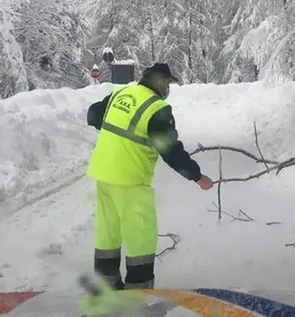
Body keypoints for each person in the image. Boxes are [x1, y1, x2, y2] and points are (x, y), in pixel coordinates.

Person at [85, 62, 214, 290]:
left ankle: (106, 288)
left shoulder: (121, 93)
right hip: (130, 179)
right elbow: (170, 150)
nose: (168, 89)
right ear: (161, 82)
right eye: (168, 83)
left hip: (103, 173)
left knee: (108, 230)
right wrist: (197, 176)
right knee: (140, 235)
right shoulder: (156, 109)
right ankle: (138, 292)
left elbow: (93, 115)